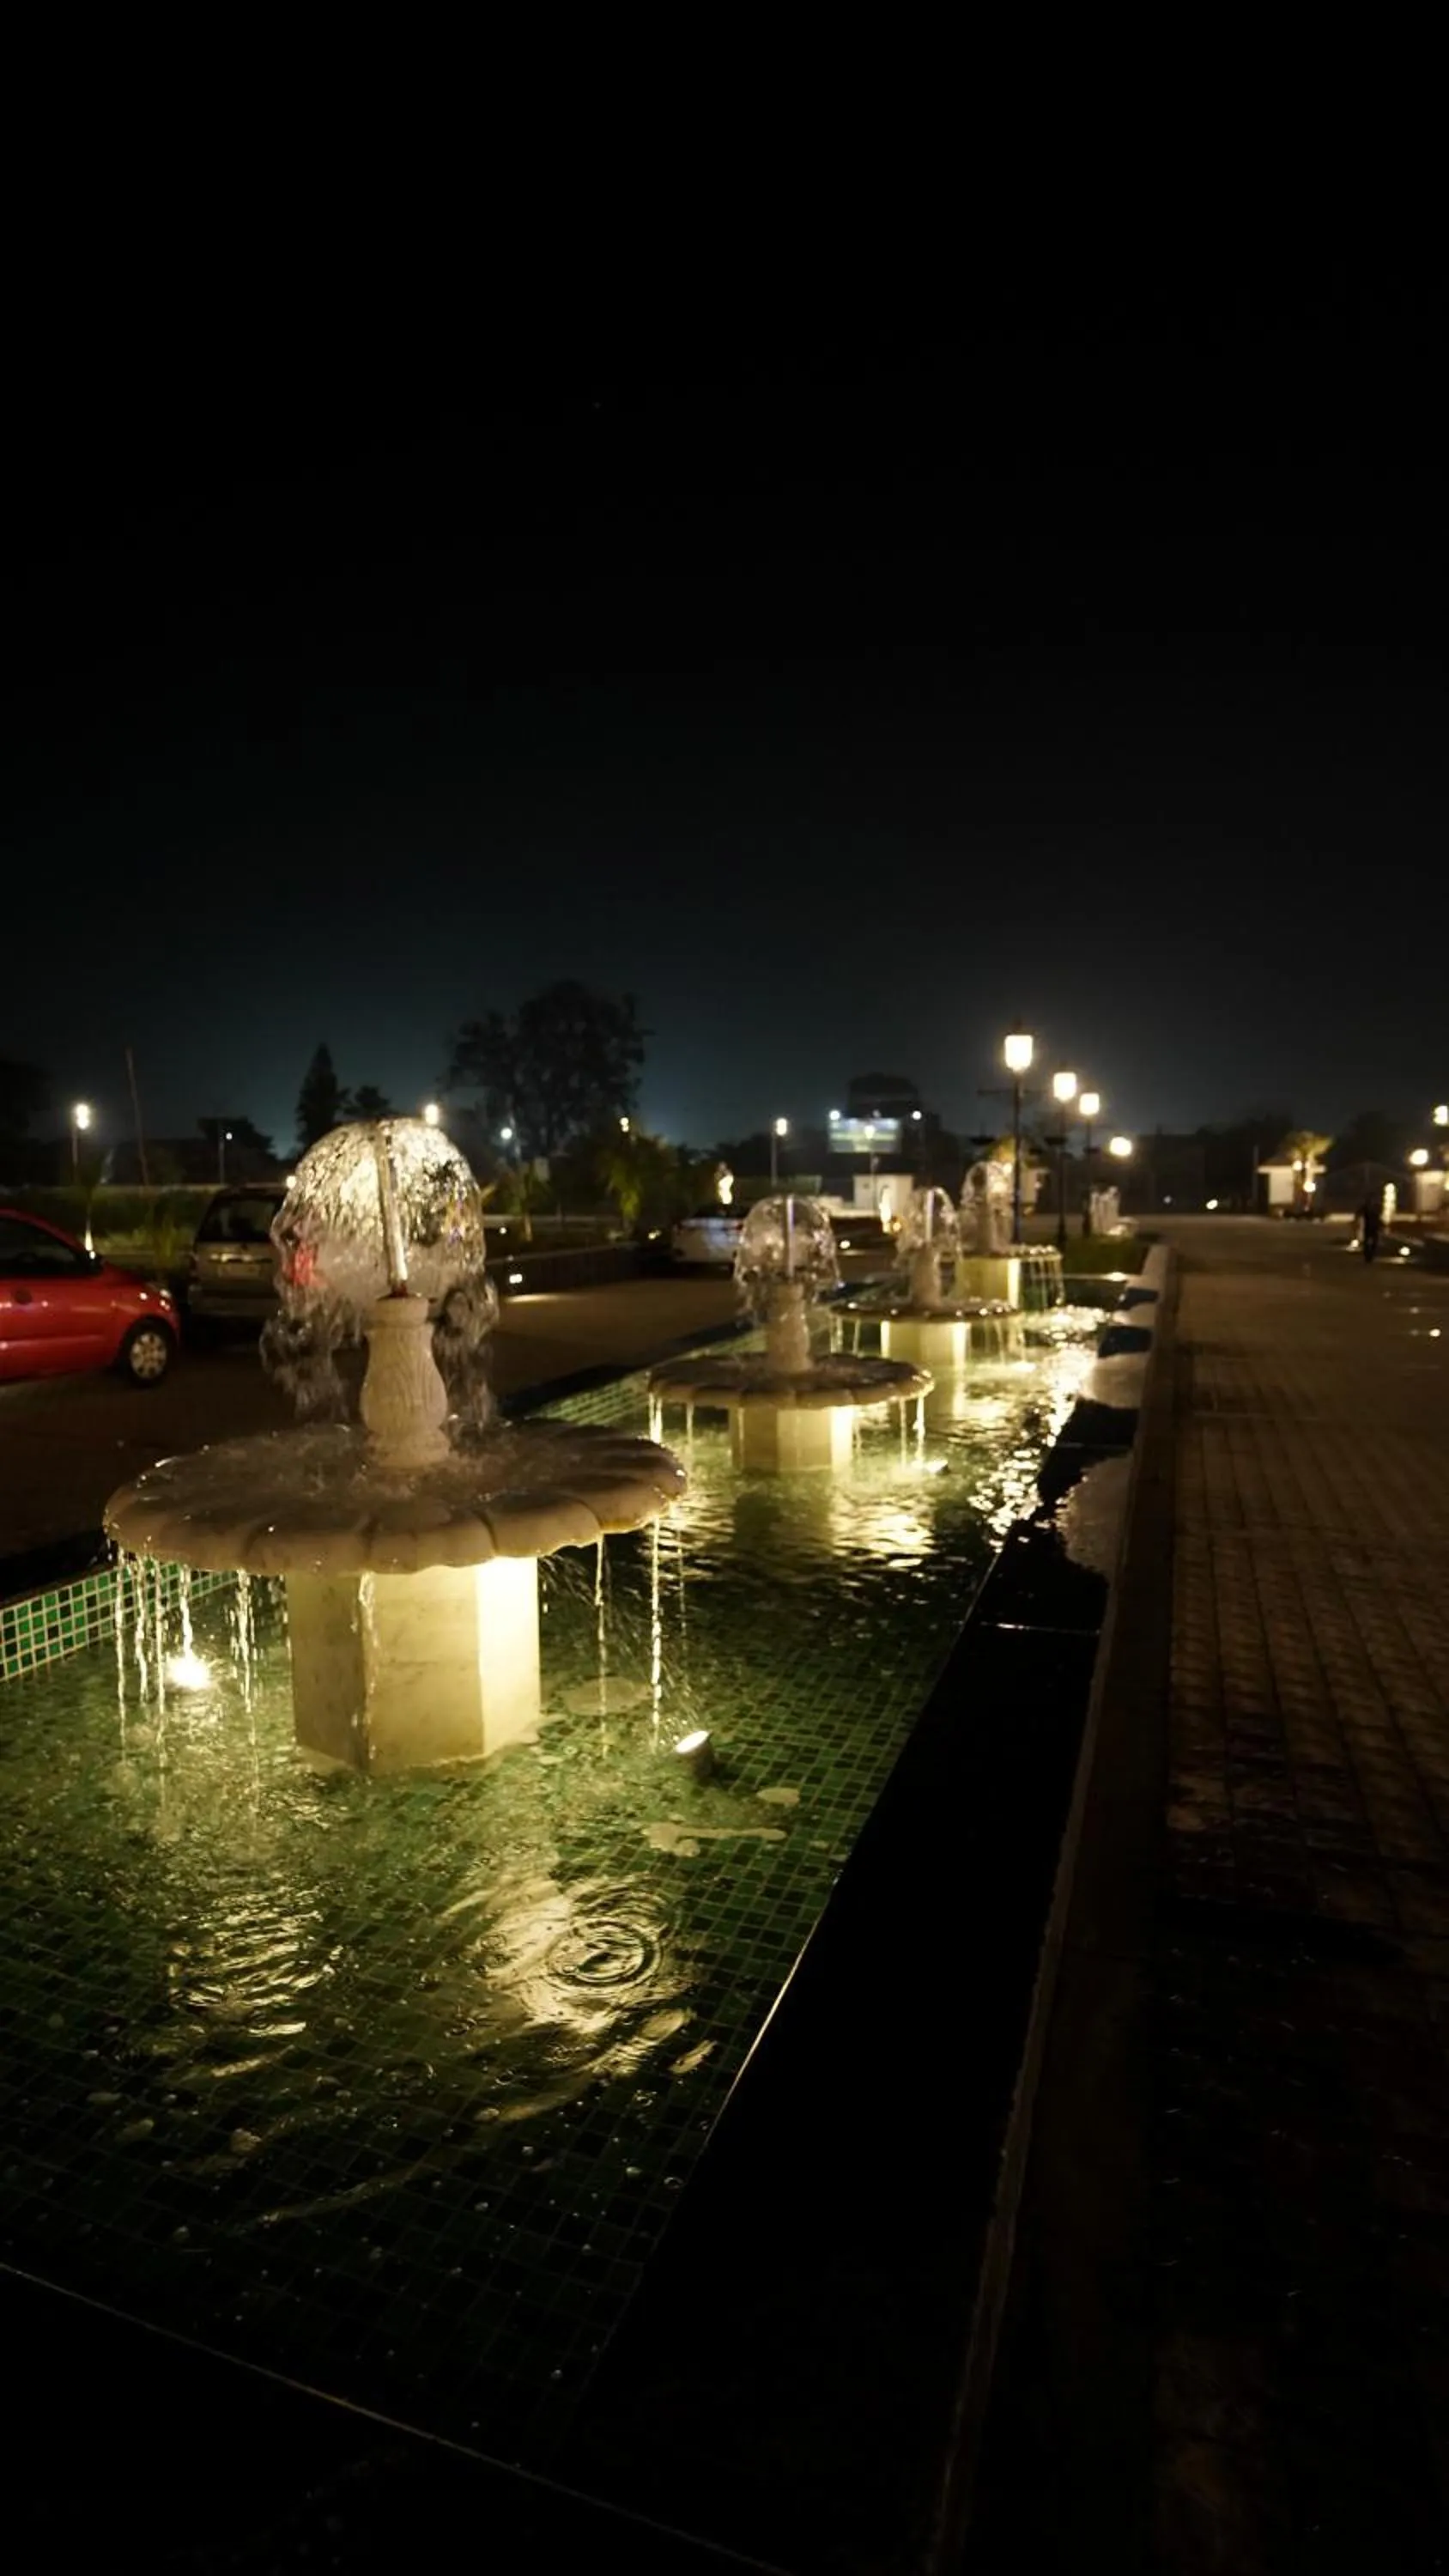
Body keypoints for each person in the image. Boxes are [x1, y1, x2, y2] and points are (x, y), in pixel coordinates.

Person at [1359, 1194, 1381, 1263]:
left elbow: (1378, 1217)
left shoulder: (1376, 1207)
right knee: (1367, 1242)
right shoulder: (1366, 1207)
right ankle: (1368, 1256)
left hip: (1374, 1227)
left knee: (1374, 1242)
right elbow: (1359, 1214)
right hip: (1368, 1227)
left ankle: (1370, 1255)